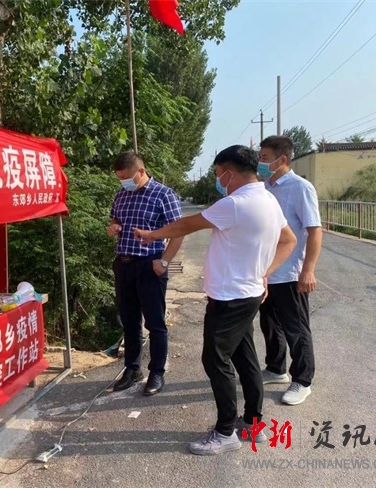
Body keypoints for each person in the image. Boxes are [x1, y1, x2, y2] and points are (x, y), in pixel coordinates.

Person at [134, 145, 297, 455]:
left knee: (215, 360)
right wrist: (265, 274)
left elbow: (187, 224)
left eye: (218, 174)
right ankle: (253, 424)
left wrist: (152, 235)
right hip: (249, 293)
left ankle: (225, 432)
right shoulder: (267, 199)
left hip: (229, 297)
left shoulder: (234, 204)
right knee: (245, 358)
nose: (218, 180)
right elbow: (289, 240)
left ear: (229, 173)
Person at [107, 151, 183, 396]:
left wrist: (164, 261)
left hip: (150, 265)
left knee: (155, 323)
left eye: (126, 177)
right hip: (124, 264)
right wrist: (113, 227)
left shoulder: (163, 194)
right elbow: (114, 219)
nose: (123, 182)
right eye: (119, 178)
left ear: (141, 171)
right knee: (129, 321)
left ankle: (157, 372)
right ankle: (132, 369)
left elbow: (178, 231)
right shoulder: (121, 195)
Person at [257, 136, 322, 405]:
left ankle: (303, 380)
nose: (260, 163)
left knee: (296, 328)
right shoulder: (264, 188)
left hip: (290, 272)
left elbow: (314, 231)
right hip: (267, 271)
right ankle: (276, 368)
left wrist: (308, 270)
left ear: (282, 159)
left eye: (264, 158)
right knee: (269, 324)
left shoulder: (300, 188)